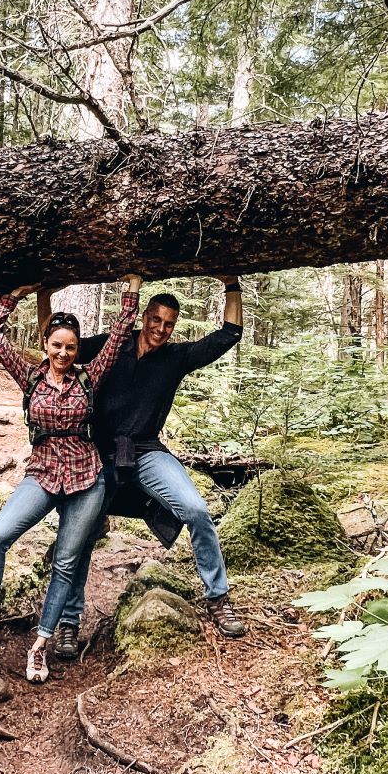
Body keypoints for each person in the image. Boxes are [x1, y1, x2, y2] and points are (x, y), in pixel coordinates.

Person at [37, 276, 246, 659]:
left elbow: (230, 334)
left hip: (147, 452)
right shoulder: (112, 344)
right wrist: (44, 295)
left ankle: (218, 598)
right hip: (96, 455)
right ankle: (68, 622)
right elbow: (58, 345)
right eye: (156, 319)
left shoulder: (176, 357)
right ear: (145, 315)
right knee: (79, 534)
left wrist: (231, 282)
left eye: (169, 323)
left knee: (197, 510)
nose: (162, 329)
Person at [0, 274, 142, 683]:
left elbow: (122, 331)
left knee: (67, 560)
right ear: (46, 344)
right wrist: (14, 295)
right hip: (42, 472)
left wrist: (132, 287)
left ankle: (40, 644)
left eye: (71, 347)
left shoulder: (89, 377)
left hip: (87, 477)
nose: (64, 353)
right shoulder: (31, 377)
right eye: (57, 345)